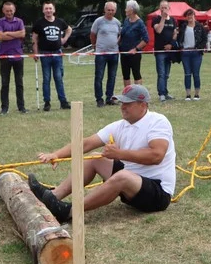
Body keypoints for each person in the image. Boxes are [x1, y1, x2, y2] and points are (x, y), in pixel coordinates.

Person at [28, 84, 175, 223]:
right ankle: (52, 197)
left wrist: (119, 154)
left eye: (128, 103)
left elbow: (156, 156)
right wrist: (57, 154)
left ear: (143, 105)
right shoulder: (120, 126)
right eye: (122, 103)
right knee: (94, 158)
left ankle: (70, 212)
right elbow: (87, 143)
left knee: (122, 176)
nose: (122, 107)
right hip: (133, 183)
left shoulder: (158, 122)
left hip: (158, 193)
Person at [31, 1, 71, 111]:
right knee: (46, 78)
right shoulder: (39, 23)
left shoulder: (60, 22)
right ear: (43, 10)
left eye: (50, 8)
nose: (48, 10)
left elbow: (69, 29)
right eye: (46, 9)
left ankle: (63, 102)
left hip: (57, 53)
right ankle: (47, 102)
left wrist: (64, 39)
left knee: (59, 78)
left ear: (54, 10)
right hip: (45, 53)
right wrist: (35, 52)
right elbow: (34, 38)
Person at [0, 2, 27, 114]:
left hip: (18, 55)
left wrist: (8, 33)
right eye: (7, 10)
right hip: (4, 56)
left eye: (11, 10)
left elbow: (23, 34)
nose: (9, 12)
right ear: (3, 11)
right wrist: (14, 34)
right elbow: (0, 36)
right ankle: (4, 108)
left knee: (19, 83)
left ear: (14, 10)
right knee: (4, 83)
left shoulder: (19, 21)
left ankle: (21, 107)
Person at [91, 1, 121, 106]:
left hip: (114, 53)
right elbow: (93, 34)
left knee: (112, 76)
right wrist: (94, 46)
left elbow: (120, 35)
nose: (110, 12)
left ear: (115, 11)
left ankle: (109, 98)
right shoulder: (98, 21)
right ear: (104, 10)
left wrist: (117, 43)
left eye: (112, 10)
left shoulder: (117, 22)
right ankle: (99, 99)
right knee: (99, 76)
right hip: (101, 54)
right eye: (108, 10)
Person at [152, 0, 178, 102]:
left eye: (165, 7)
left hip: (169, 51)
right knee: (161, 73)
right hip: (160, 51)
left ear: (169, 8)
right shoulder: (156, 19)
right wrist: (163, 18)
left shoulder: (173, 20)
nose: (163, 9)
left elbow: (175, 34)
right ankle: (161, 94)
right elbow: (158, 30)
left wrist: (171, 44)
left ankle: (166, 92)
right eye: (161, 8)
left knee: (167, 74)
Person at [178, 9, 207, 100]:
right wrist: (180, 46)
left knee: (196, 73)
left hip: (196, 52)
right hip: (185, 52)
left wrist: (199, 48)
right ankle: (188, 94)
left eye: (191, 15)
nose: (190, 17)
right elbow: (179, 38)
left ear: (194, 15)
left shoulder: (200, 26)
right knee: (187, 73)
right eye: (188, 15)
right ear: (186, 17)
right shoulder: (183, 26)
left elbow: (204, 39)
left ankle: (197, 94)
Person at [119, 0, 148, 87]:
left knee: (136, 73)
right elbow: (123, 34)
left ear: (131, 10)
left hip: (134, 54)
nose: (125, 10)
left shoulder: (140, 23)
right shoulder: (126, 20)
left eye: (127, 8)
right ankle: (128, 95)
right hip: (124, 52)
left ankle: (138, 96)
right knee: (126, 75)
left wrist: (136, 49)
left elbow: (146, 39)